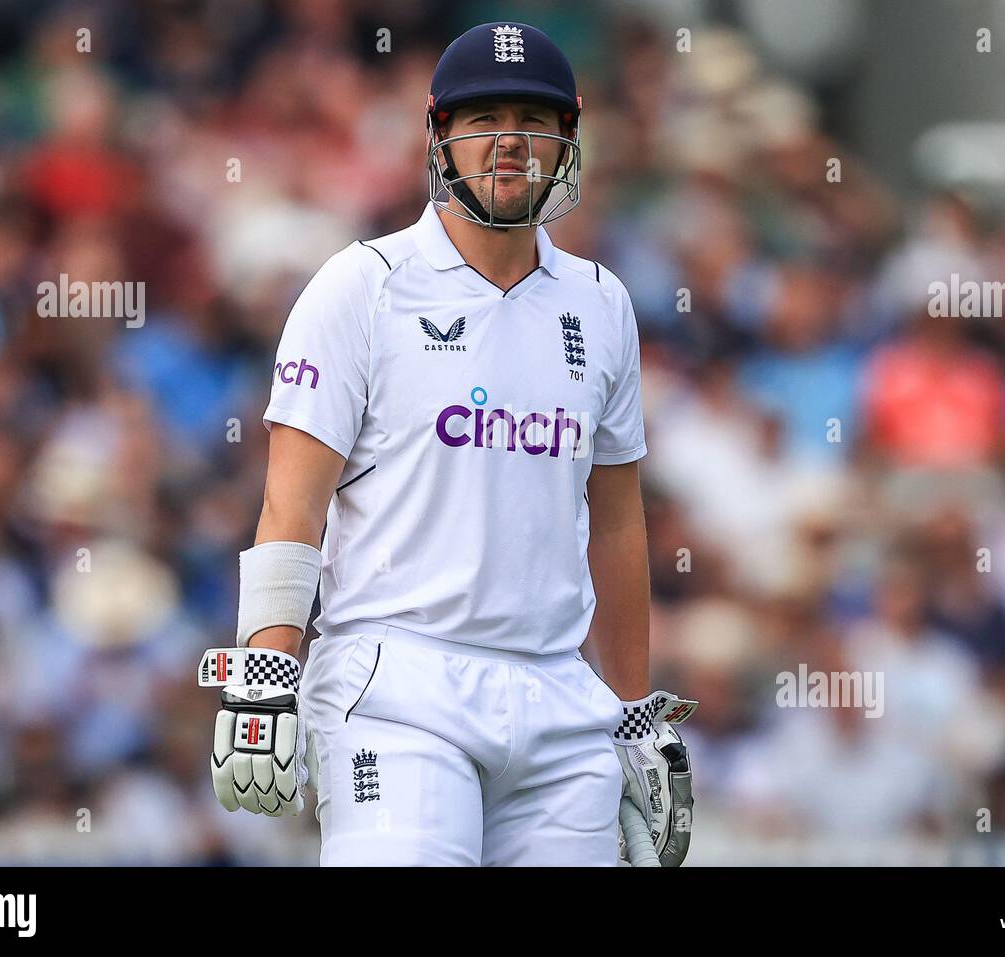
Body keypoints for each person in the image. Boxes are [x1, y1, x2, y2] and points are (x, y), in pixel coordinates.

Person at [197, 21, 696, 866]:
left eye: (534, 121)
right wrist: (269, 671)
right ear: (440, 138)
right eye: (482, 119)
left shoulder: (601, 303)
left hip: (558, 696)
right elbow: (291, 501)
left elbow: (615, 519)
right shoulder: (363, 285)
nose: (509, 142)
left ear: (568, 140)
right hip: (397, 684)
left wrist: (633, 709)